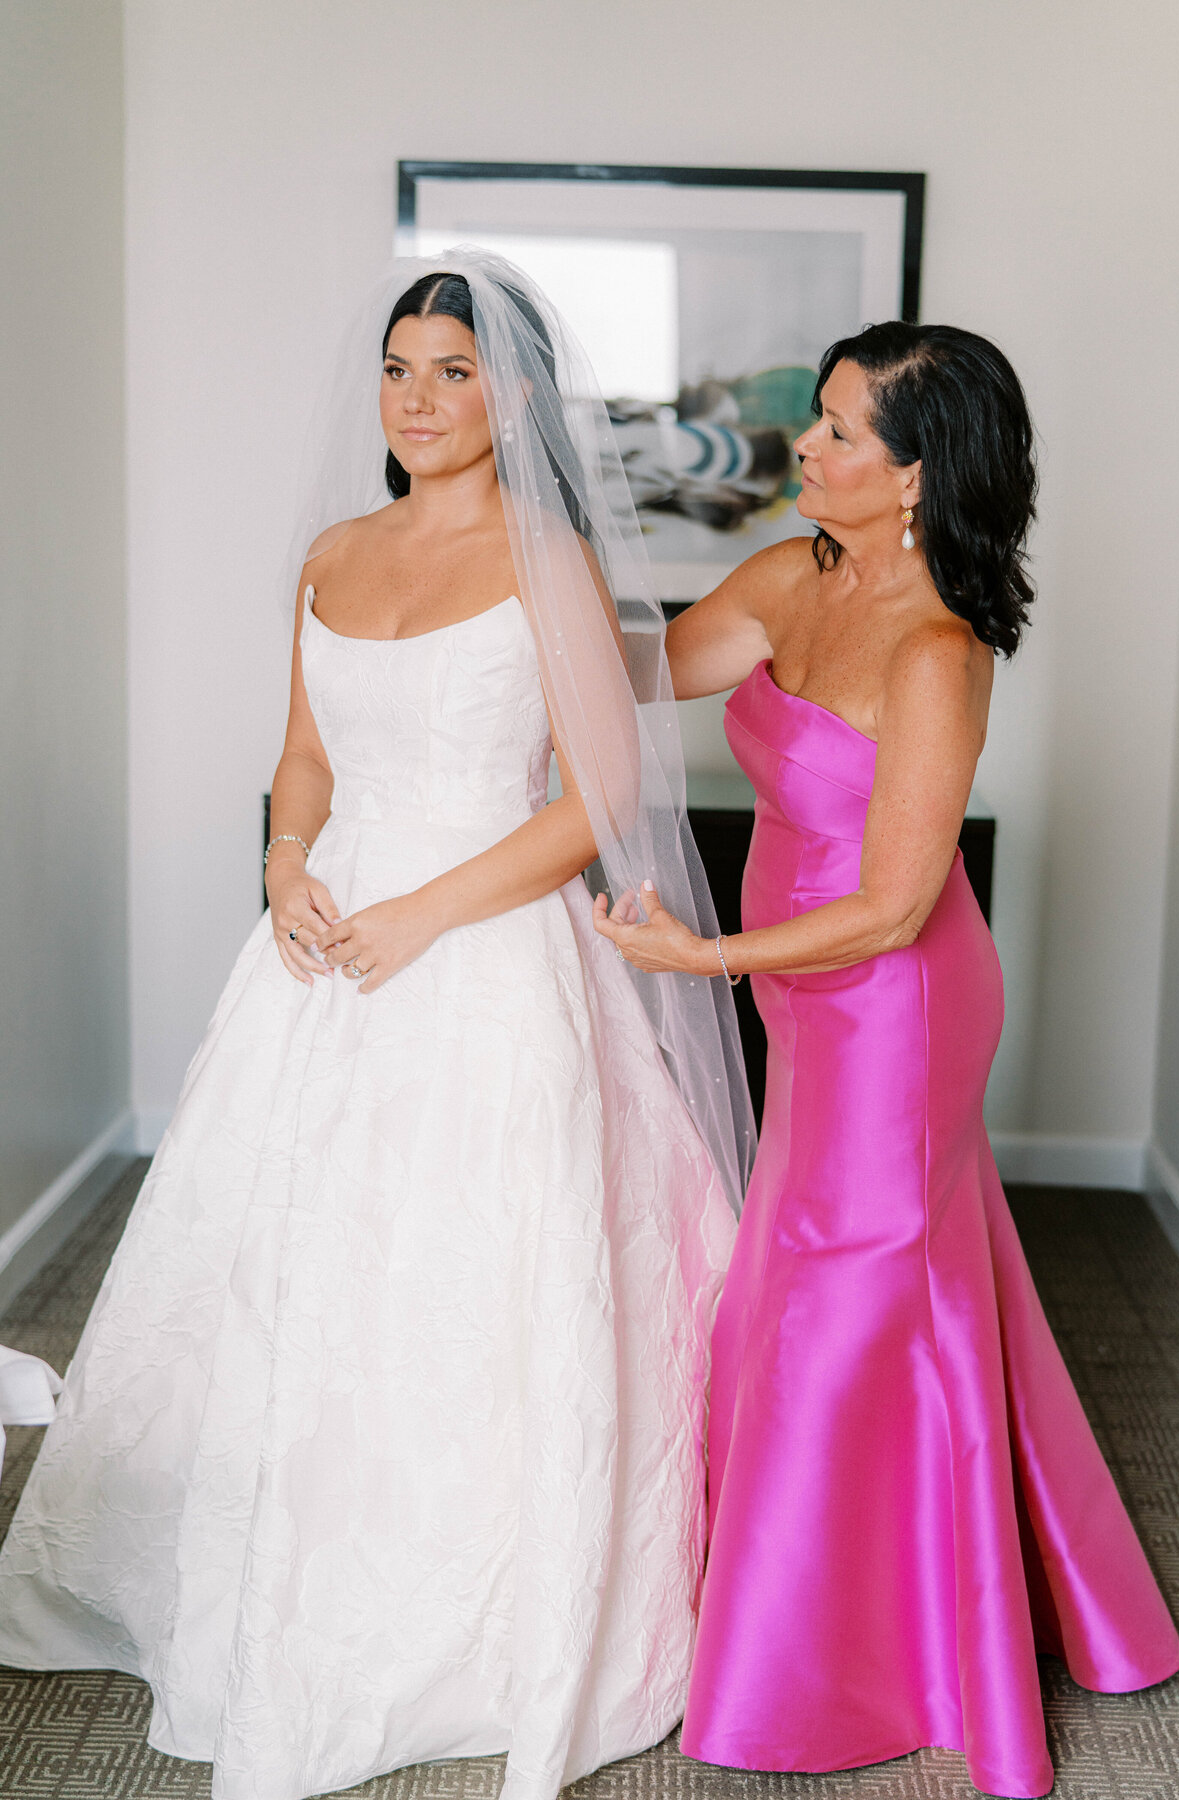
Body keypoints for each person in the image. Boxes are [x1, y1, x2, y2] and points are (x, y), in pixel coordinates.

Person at [0, 252, 753, 1800]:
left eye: (455, 372)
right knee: (280, 1260)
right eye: (401, 369)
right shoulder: (333, 554)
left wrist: (423, 913)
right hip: (320, 948)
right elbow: (305, 762)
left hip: (478, 956)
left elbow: (598, 805)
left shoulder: (549, 560)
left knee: (465, 1272)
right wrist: (285, 867)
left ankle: (463, 1616)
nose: (420, 398)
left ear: (518, 395)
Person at [594, 322, 1179, 1799]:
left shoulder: (938, 644)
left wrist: (701, 961)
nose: (809, 446)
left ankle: (851, 1648)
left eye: (844, 432)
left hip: (895, 1006)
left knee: (842, 1293)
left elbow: (896, 904)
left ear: (920, 476)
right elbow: (652, 668)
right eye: (817, 420)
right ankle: (888, 1584)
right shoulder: (798, 574)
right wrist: (515, 573)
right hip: (810, 1003)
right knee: (846, 1282)